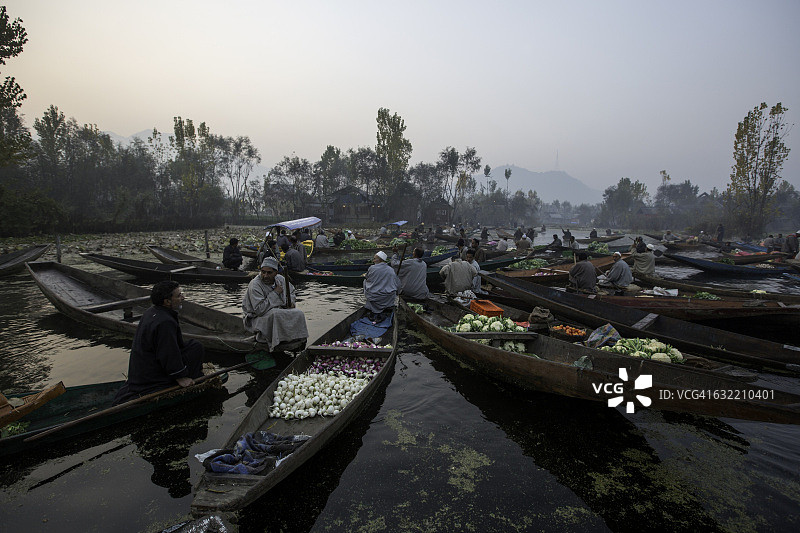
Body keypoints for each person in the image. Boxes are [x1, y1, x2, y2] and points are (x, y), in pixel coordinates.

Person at [113, 281, 204, 404]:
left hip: (146, 364)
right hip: (152, 372)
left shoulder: (152, 311)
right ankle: (191, 380)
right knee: (196, 349)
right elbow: (168, 353)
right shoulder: (165, 322)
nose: (182, 297)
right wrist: (180, 376)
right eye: (178, 295)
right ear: (167, 302)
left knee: (194, 346)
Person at [242, 257, 308, 351]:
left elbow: (291, 292)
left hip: (277, 311)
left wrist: (291, 303)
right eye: (263, 272)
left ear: (276, 273)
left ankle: (295, 338)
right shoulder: (255, 284)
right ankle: (267, 339)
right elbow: (259, 310)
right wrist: (275, 293)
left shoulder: (280, 279)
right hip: (256, 317)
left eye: (269, 273)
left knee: (299, 313)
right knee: (275, 314)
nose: (265, 275)